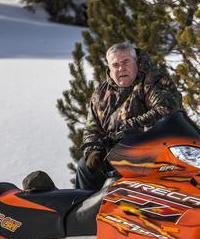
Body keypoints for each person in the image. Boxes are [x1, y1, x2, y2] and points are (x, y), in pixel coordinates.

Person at [76, 42, 183, 190]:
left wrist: (129, 128)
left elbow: (166, 110)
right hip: (115, 153)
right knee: (84, 167)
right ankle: (85, 212)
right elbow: (91, 129)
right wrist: (93, 151)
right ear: (109, 68)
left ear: (136, 61)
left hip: (153, 152)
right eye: (115, 65)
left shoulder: (153, 80)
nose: (121, 68)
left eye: (126, 62)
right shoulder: (100, 93)